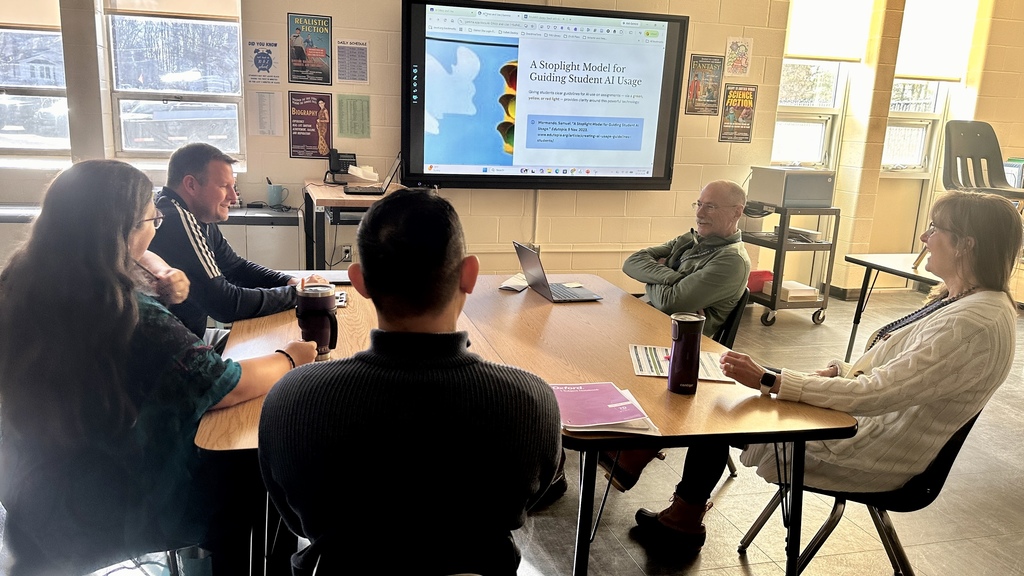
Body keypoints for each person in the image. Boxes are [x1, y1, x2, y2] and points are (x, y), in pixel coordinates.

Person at [625, 190, 1022, 554]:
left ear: (966, 244)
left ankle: (667, 503)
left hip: (867, 447)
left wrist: (772, 381)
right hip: (862, 419)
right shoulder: (966, 303)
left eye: (935, 228)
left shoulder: (973, 323)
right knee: (724, 377)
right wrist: (840, 370)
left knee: (721, 405)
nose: (923, 237)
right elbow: (904, 374)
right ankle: (669, 501)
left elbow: (877, 394)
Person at [0, 160, 317, 576]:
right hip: (112, 502)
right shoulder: (126, 312)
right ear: (119, 230)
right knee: (253, 463)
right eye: (152, 219)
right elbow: (224, 386)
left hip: (31, 493)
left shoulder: (20, 281)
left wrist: (161, 268)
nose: (157, 228)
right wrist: (291, 357)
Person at [258, 188, 562, 576]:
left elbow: (296, 520)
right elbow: (526, 503)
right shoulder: (532, 403)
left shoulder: (290, 398)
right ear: (470, 274)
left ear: (359, 281)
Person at [148, 143, 321, 352]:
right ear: (191, 185)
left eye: (233, 186)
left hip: (191, 339)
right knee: (281, 351)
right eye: (223, 186)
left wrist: (288, 282)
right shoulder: (177, 220)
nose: (233, 196)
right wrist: (296, 294)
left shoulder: (195, 216)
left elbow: (235, 267)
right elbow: (225, 305)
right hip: (177, 358)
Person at [622, 179, 751, 337]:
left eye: (710, 207)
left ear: (737, 212)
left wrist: (650, 277)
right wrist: (674, 278)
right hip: (646, 319)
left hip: (673, 341)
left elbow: (670, 303)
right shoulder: (689, 240)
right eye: (699, 204)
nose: (699, 213)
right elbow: (631, 262)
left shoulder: (732, 260)